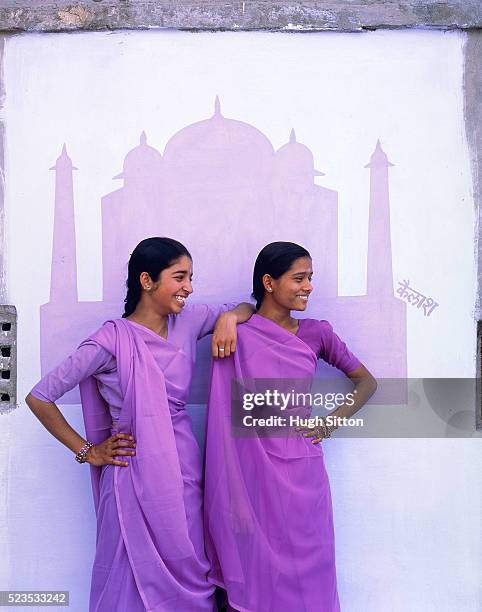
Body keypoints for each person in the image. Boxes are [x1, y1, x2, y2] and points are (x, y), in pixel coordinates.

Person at [26, 237, 254, 612]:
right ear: (147, 281)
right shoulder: (110, 341)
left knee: (190, 562)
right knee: (129, 572)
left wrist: (229, 319)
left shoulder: (190, 321)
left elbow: (248, 308)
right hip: (130, 475)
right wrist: (88, 450)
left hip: (183, 469)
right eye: (179, 277)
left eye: (191, 277)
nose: (189, 288)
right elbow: (40, 396)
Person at [204, 241, 377, 612]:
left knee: (309, 572)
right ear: (269, 281)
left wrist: (328, 425)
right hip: (249, 476)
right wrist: (232, 317)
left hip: (302, 474)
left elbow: (367, 382)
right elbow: (225, 420)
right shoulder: (237, 335)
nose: (309, 286)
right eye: (299, 278)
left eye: (310, 278)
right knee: (252, 571)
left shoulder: (318, 333)